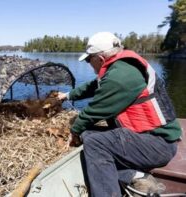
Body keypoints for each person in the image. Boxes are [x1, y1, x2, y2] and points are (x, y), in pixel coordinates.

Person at [57, 32, 182, 197]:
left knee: (94, 142)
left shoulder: (120, 76)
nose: (88, 63)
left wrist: (74, 131)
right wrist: (67, 95)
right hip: (149, 138)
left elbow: (94, 111)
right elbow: (92, 87)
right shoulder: (120, 67)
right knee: (90, 134)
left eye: (89, 59)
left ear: (100, 58)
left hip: (158, 144)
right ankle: (135, 176)